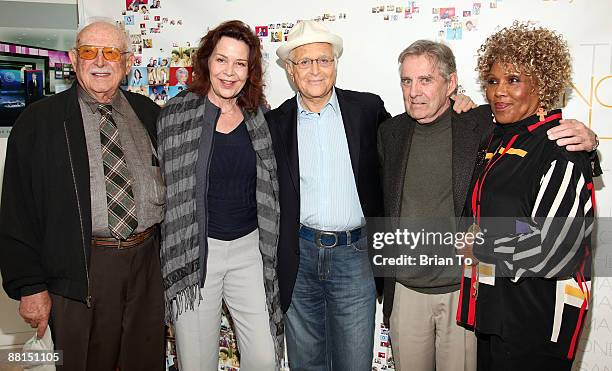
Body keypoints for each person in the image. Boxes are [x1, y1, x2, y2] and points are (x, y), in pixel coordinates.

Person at [378, 39, 597, 371]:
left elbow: (553, 240)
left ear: (450, 83)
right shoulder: (390, 132)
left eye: (425, 80)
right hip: (419, 291)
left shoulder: (480, 123)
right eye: (407, 81)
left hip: (470, 294)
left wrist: (589, 143)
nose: (414, 91)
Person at [266, 21, 472, 370]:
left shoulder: (367, 110)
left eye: (324, 60)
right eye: (304, 62)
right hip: (299, 258)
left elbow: (418, 129)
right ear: (290, 69)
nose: (315, 70)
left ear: (335, 64)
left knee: (354, 362)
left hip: (356, 255)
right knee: (305, 361)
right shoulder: (273, 123)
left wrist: (459, 100)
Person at [0, 20, 165, 370]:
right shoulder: (38, 122)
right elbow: (17, 212)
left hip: (148, 267)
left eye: (111, 53)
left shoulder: (149, 114)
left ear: (128, 62)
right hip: (79, 270)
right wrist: (30, 286)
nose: (100, 62)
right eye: (89, 52)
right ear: (74, 59)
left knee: (143, 360)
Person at [457, 23, 595, 370]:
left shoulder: (561, 146)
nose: (499, 91)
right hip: (495, 312)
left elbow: (554, 245)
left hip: (535, 321)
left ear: (543, 82)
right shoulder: (500, 139)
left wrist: (484, 242)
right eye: (492, 80)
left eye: (513, 79)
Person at [156, 20, 283, 370]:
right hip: (196, 255)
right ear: (207, 62)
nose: (230, 72)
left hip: (249, 251)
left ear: (250, 70)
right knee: (197, 362)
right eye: (222, 60)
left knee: (265, 358)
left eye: (240, 63)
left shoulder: (261, 116)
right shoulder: (176, 116)